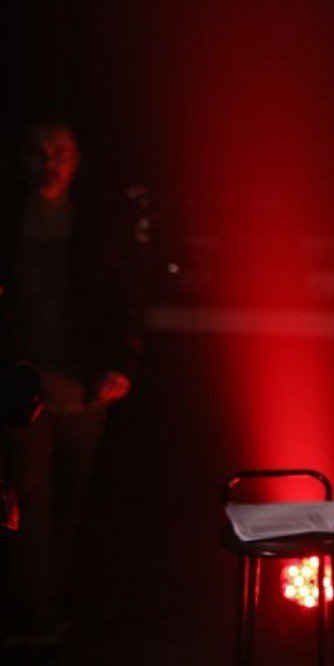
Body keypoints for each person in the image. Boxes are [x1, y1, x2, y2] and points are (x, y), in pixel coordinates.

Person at [0, 119, 143, 648]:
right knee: (31, 494)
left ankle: (58, 606)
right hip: (24, 382)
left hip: (82, 383)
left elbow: (127, 293)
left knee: (74, 498)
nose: (49, 163)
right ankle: (40, 613)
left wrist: (121, 362)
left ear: (76, 159)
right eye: (39, 152)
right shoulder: (12, 220)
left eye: (59, 152)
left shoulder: (96, 222)